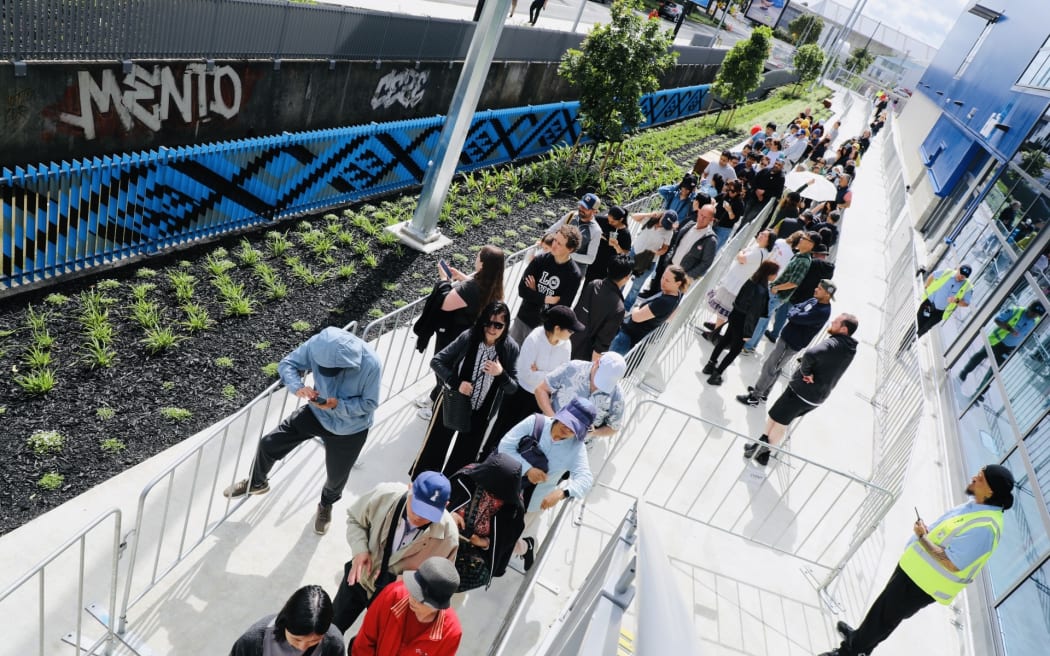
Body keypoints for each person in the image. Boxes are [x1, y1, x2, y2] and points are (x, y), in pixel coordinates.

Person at [818, 465, 1015, 656]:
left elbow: (952, 562)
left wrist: (923, 538)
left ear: (991, 490)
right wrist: (927, 535)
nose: (974, 477)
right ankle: (861, 641)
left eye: (980, 478)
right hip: (914, 570)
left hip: (923, 583)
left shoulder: (986, 528)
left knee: (883, 618)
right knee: (883, 613)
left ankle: (849, 652)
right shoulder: (976, 506)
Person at [223, 327, 381, 535]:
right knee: (269, 443)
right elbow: (288, 363)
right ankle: (256, 482)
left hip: (350, 429)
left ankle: (326, 505)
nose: (326, 374)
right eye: (322, 368)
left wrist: (337, 405)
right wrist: (298, 386)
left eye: (334, 370)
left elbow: (370, 403)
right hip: (316, 414)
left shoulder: (371, 364)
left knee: (336, 477)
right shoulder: (317, 344)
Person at [332, 472, 459, 633]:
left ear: (445, 506)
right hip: (359, 578)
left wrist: (404, 581)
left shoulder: (449, 538)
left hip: (396, 600)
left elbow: (439, 582)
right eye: (417, 506)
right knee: (329, 630)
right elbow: (355, 519)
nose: (419, 516)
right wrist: (360, 550)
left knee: (367, 647)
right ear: (410, 488)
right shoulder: (384, 494)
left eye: (429, 513)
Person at [411, 301, 520, 478]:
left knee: (463, 460)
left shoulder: (510, 349)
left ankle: (450, 494)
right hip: (453, 401)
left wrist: (501, 374)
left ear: (506, 326)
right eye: (488, 323)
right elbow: (437, 361)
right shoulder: (469, 337)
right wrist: (457, 382)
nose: (492, 329)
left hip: (480, 413)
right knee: (434, 448)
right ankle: (422, 483)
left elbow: (512, 388)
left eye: (498, 325)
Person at [744, 314, 858, 466]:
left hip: (801, 392)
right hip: (816, 397)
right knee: (779, 418)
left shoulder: (834, 343)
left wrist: (806, 372)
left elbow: (810, 354)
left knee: (778, 421)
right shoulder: (849, 347)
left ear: (844, 329)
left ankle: (762, 451)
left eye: (836, 322)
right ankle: (761, 449)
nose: (832, 322)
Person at [498, 397, 596, 568]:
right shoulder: (535, 422)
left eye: (574, 428)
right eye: (566, 423)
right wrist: (528, 469)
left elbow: (586, 478)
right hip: (502, 485)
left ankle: (526, 546)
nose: (567, 429)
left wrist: (562, 493)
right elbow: (505, 446)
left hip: (531, 503)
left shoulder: (576, 448)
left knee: (506, 542)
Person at [414, 245, 506, 418]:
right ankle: (435, 397)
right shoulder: (494, 285)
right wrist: (460, 278)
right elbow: (476, 293)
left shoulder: (470, 289)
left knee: (445, 372)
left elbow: (445, 303)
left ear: (483, 264)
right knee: (452, 370)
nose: (476, 258)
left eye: (479, 256)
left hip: (453, 337)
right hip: (470, 337)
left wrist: (444, 279)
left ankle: (436, 410)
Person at [487, 306, 582, 453]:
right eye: (570, 330)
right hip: (519, 396)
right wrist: (550, 375)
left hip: (541, 399)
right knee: (502, 434)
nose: (572, 333)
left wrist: (539, 372)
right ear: (557, 329)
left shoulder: (566, 345)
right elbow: (526, 375)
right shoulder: (534, 339)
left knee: (523, 441)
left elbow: (563, 377)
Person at [737, 279, 835, 406]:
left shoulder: (822, 312)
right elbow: (796, 308)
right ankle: (764, 393)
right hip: (787, 337)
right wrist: (795, 313)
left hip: (792, 342)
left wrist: (795, 314)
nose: (816, 289)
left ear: (827, 294)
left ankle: (755, 396)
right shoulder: (814, 300)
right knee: (777, 367)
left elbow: (795, 316)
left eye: (820, 289)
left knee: (770, 366)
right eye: (817, 286)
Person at [351, 557, 462, 656]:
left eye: (420, 599)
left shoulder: (451, 633)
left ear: (437, 606)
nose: (412, 598)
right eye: (413, 589)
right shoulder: (393, 594)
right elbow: (365, 641)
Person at [446, 452, 526, 588]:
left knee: (473, 575)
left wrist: (483, 543)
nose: (492, 495)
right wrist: (449, 516)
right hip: (446, 534)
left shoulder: (513, 510)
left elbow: (504, 542)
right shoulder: (464, 478)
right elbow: (435, 502)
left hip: (475, 549)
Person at [702, 260, 779, 385]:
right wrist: (748, 333)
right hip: (744, 322)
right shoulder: (761, 290)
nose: (776, 276)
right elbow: (753, 314)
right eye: (775, 273)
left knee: (724, 341)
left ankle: (710, 365)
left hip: (735, 315)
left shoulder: (750, 281)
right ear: (769, 273)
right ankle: (717, 374)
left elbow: (738, 299)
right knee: (735, 350)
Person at [741, 231, 817, 354]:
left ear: (811, 245)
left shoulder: (804, 261)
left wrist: (776, 288)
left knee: (760, 318)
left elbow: (794, 282)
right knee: (764, 319)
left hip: (777, 294)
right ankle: (752, 345)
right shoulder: (799, 255)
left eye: (804, 239)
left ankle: (748, 346)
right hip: (776, 293)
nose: (801, 240)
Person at [509, 224, 583, 345]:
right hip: (523, 318)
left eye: (559, 244)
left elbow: (561, 308)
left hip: (542, 328)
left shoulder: (573, 275)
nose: (554, 245)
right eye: (555, 240)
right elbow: (522, 290)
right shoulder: (540, 260)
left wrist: (534, 292)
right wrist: (546, 298)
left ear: (570, 249)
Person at [230, 585, 344, 656]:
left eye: (313, 641)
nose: (302, 647)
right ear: (285, 623)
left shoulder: (334, 642)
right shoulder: (252, 641)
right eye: (296, 639)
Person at [535, 352, 627, 440]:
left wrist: (595, 432)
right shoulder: (572, 368)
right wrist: (553, 418)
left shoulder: (617, 396)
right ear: (597, 362)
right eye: (600, 377)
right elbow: (541, 389)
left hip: (577, 447)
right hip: (548, 431)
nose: (598, 386)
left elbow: (614, 428)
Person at [703, 229, 775, 336]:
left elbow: (741, 258)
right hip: (733, 280)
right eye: (761, 233)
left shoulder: (760, 253)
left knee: (724, 307)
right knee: (722, 306)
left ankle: (715, 333)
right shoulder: (757, 247)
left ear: (769, 241)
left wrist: (741, 252)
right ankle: (716, 326)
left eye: (764, 236)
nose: (760, 235)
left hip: (736, 285)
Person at [609, 265, 690, 356]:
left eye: (667, 280)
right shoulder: (676, 294)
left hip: (626, 338)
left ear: (678, 283)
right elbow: (669, 318)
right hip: (629, 336)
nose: (662, 282)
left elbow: (636, 317)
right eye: (663, 277)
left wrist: (637, 307)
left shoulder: (664, 302)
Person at [958, 301, 1045, 384]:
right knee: (980, 356)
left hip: (1009, 348)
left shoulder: (1035, 322)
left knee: (995, 370)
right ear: (1029, 308)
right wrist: (1010, 329)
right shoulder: (1016, 310)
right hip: (997, 341)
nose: (1034, 316)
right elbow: (998, 319)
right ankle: (965, 371)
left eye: (1037, 315)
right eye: (1033, 313)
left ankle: (981, 390)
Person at [766, 241, 835, 342]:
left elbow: (801, 278)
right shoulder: (829, 269)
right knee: (796, 316)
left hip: (797, 294)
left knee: (782, 312)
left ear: (815, 253)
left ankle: (774, 334)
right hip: (810, 298)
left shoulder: (812, 262)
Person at [571, 254, 632, 361]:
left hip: (570, 338)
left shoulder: (593, 284)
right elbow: (602, 343)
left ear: (608, 269)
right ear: (627, 277)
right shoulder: (619, 308)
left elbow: (578, 310)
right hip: (584, 355)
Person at [622, 209, 676, 310]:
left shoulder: (669, 232)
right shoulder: (650, 219)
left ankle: (626, 307)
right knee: (623, 277)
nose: (663, 226)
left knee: (636, 287)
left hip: (648, 261)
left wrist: (655, 252)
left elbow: (665, 248)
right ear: (662, 215)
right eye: (663, 222)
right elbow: (633, 216)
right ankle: (617, 299)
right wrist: (650, 214)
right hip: (634, 253)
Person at [544, 193, 602, 278]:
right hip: (555, 264)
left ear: (595, 211)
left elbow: (590, 259)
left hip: (572, 273)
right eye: (581, 205)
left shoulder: (596, 231)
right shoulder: (571, 215)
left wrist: (568, 253)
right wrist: (546, 242)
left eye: (585, 208)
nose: (581, 209)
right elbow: (552, 230)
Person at [915, 265, 973, 337]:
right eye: (960, 274)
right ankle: (905, 342)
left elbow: (966, 303)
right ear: (958, 269)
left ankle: (912, 343)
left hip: (940, 313)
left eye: (963, 277)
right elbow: (933, 275)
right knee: (918, 322)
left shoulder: (967, 286)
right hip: (929, 303)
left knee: (925, 328)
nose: (961, 277)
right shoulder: (947, 272)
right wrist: (926, 286)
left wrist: (956, 301)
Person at [585, 205, 632, 283]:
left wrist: (616, 246)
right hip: (594, 262)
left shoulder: (625, 234)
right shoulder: (604, 221)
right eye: (608, 219)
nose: (609, 223)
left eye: (613, 221)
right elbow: (589, 220)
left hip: (606, 267)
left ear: (621, 219)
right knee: (586, 285)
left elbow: (625, 254)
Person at [712, 178, 745, 248]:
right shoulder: (724, 195)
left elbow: (735, 220)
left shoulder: (739, 203)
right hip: (714, 223)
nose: (730, 192)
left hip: (724, 229)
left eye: (732, 191)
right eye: (729, 189)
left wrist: (730, 210)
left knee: (714, 248)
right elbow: (713, 199)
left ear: (738, 192)